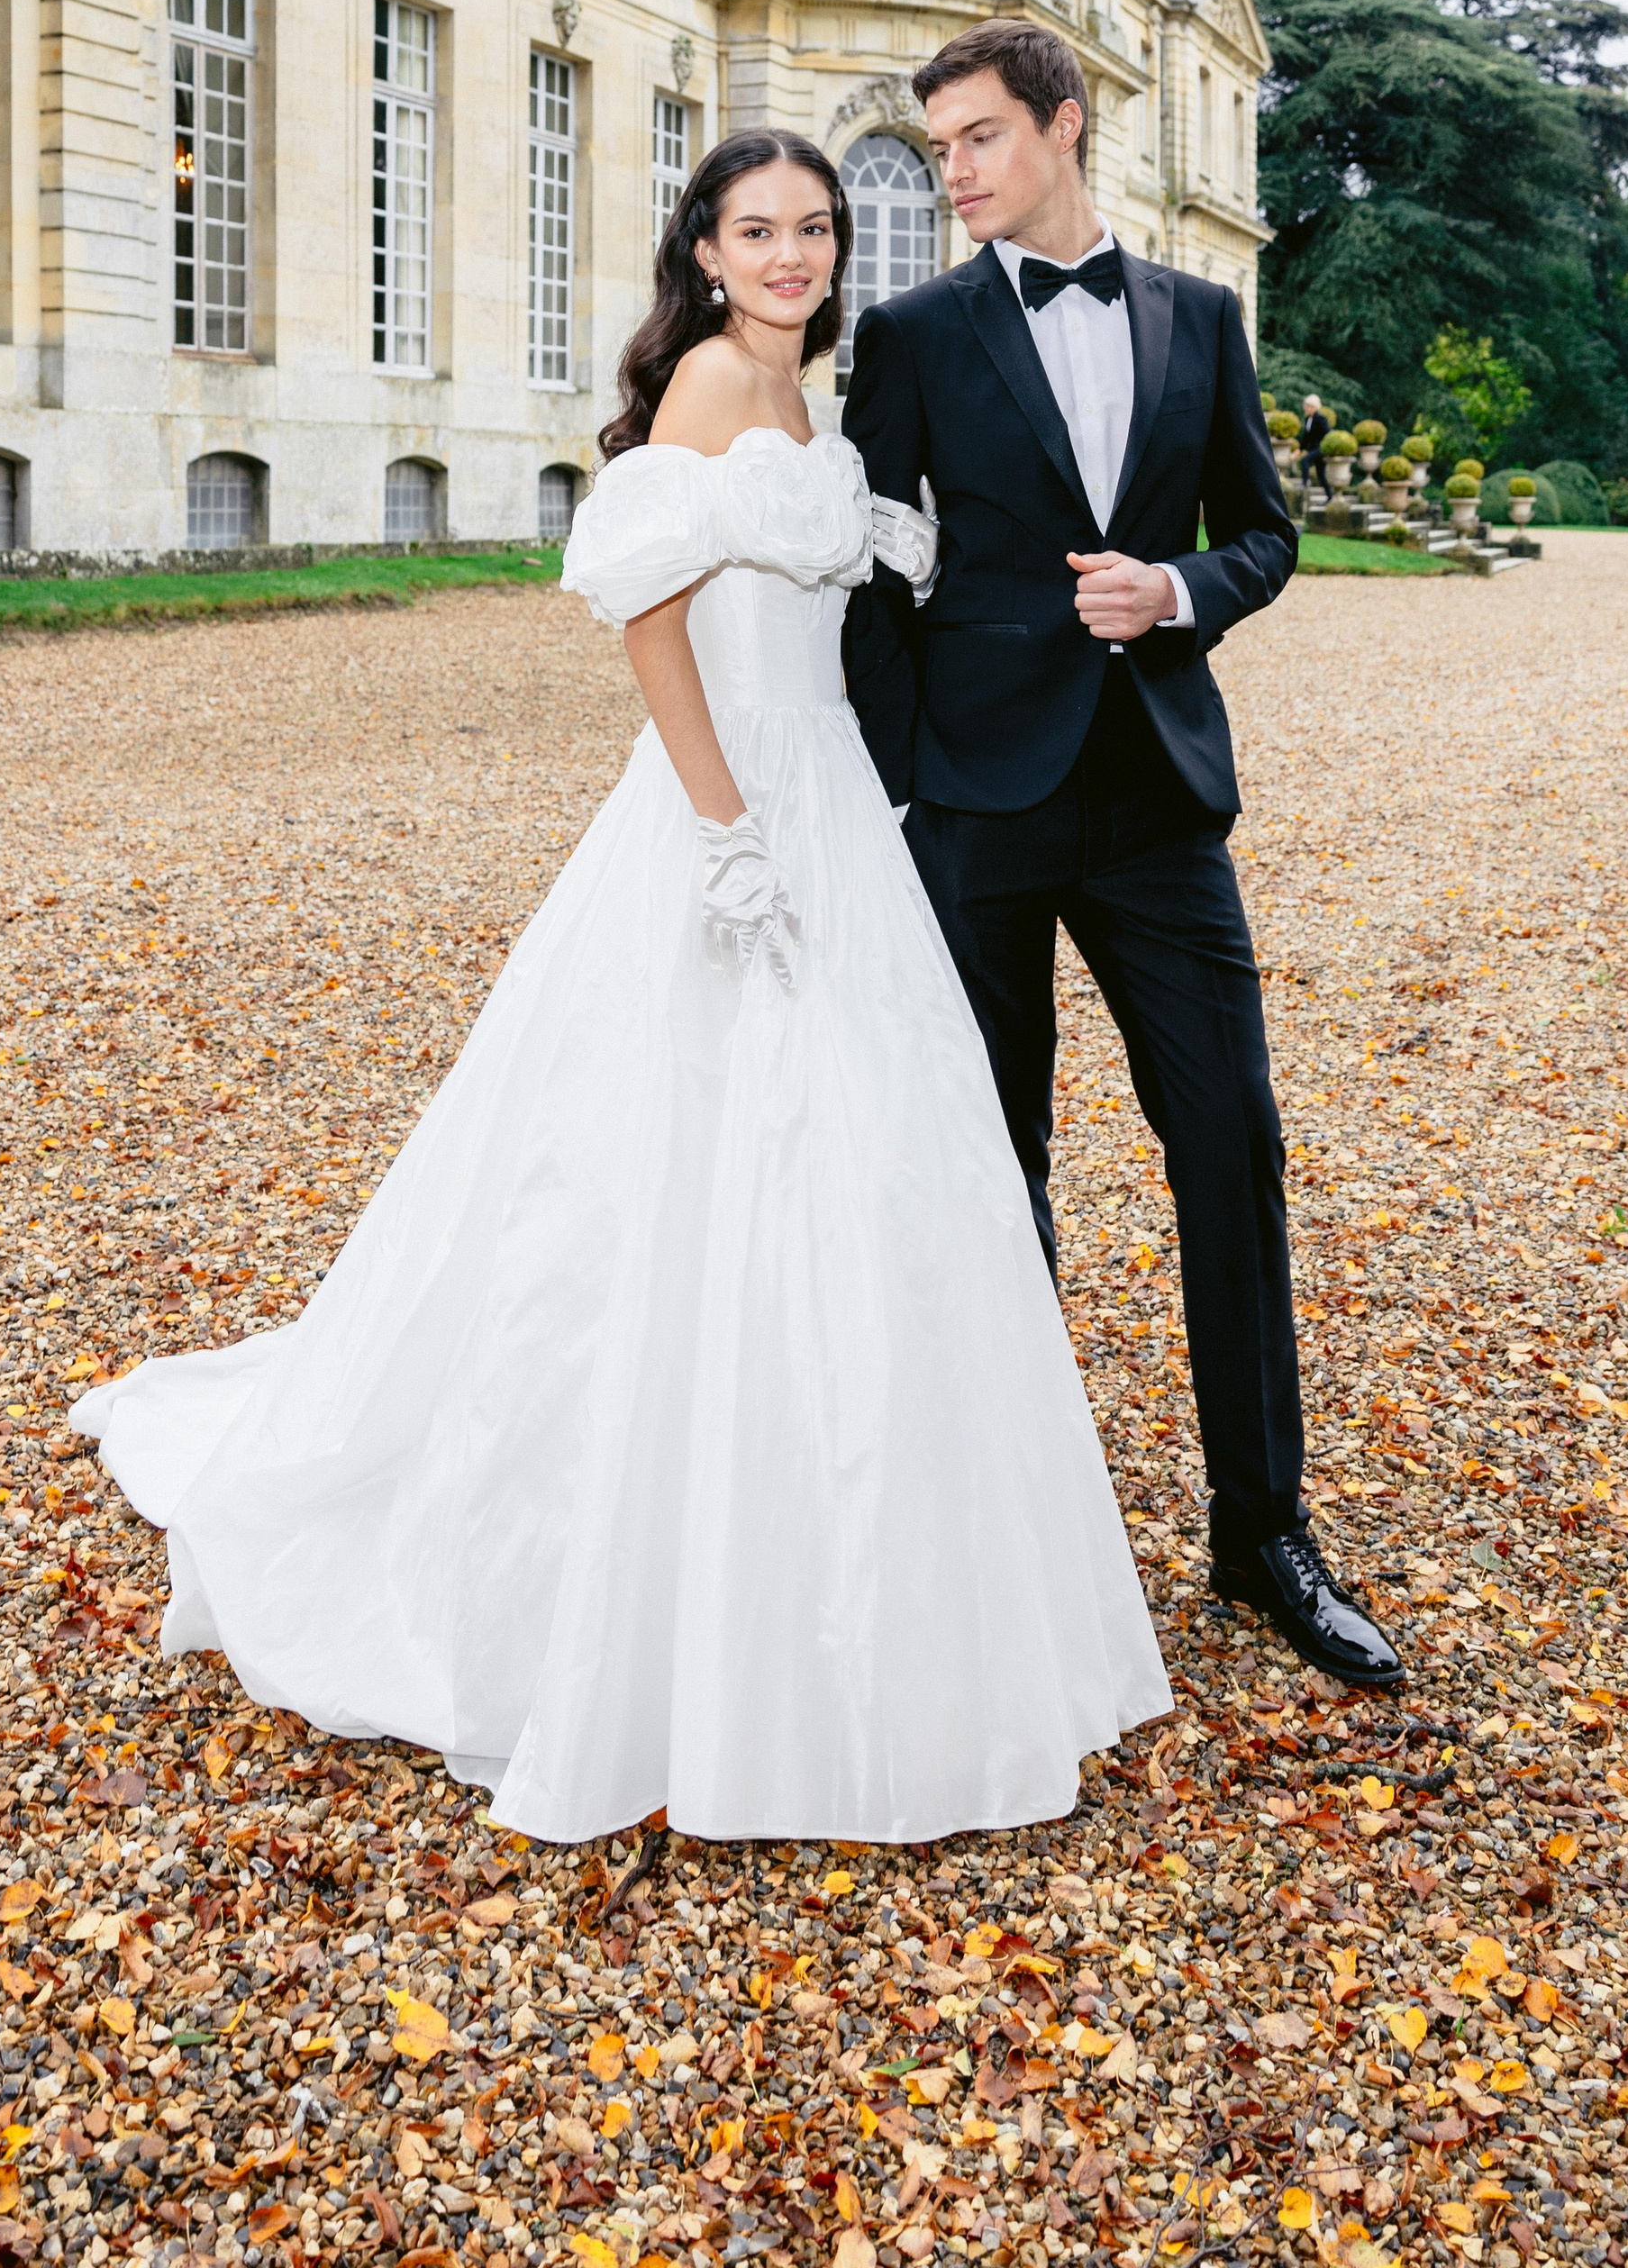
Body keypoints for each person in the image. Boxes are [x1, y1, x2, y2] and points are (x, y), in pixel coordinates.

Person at [71, 130, 1169, 1842]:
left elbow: (837, 578)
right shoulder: (714, 391)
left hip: (838, 809)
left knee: (874, 1164)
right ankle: (653, 1590)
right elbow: (652, 617)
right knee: (680, 1171)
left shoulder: (815, 402)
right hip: (730, 806)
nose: (794, 255)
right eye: (759, 231)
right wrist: (724, 830)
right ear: (707, 252)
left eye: (815, 228)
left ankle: (868, 1565)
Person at [840, 22, 1403, 1694]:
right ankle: (1001, 1539)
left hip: (1159, 799)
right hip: (979, 805)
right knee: (990, 1167)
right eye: (938, 146)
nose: (952, 173)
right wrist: (895, 791)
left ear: (1065, 127)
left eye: (979, 138)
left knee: (1230, 1140)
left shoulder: (1201, 318)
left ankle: (1263, 1536)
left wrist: (1175, 593)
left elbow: (1268, 532)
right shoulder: (912, 333)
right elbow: (872, 573)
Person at [1299, 395, 1332, 498]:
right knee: (1321, 475)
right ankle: (1330, 497)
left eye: (1308, 406)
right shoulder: (1308, 419)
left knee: (1305, 460)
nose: (1306, 409)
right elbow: (1306, 437)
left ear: (1314, 407)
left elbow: (1328, 434)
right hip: (1313, 449)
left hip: (1321, 449)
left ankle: (1304, 484)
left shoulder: (1321, 419)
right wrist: (1299, 450)